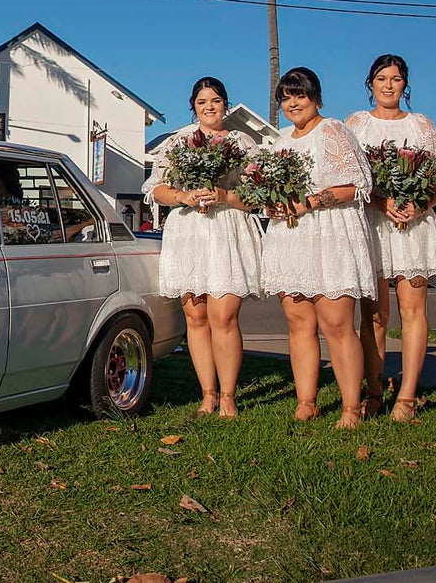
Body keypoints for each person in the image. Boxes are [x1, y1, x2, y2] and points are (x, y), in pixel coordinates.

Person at [260, 67, 378, 429]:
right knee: (298, 323)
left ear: (316, 97)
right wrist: (272, 204)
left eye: (300, 95)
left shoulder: (334, 131)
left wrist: (309, 202)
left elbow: (357, 186)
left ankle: (351, 408)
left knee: (337, 324)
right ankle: (306, 401)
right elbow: (269, 188)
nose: (293, 103)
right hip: (291, 237)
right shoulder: (280, 141)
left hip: (330, 234)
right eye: (286, 98)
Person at [143, 76, 262, 418]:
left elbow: (256, 195)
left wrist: (225, 196)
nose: (209, 107)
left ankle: (228, 396)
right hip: (190, 231)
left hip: (227, 229)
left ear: (225, 103)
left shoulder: (242, 142)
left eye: (216, 101)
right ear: (193, 107)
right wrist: (184, 196)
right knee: (195, 316)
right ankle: (207, 395)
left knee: (223, 315)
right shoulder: (179, 141)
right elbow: (157, 188)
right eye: (202, 102)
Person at [345, 54, 436, 422]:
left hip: (413, 228)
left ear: (405, 84)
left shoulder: (421, 124)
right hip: (373, 226)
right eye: (381, 78)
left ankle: (406, 396)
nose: (389, 85)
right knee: (374, 314)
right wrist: (381, 200)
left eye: (396, 78)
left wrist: (420, 206)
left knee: (412, 311)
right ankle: (374, 390)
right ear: (370, 84)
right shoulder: (356, 124)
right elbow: (348, 179)